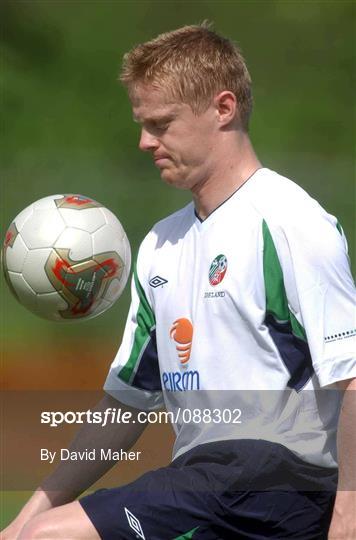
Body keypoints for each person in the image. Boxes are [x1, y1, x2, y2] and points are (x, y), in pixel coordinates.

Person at [2, 23, 355, 540]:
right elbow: (127, 403)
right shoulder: (159, 246)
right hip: (208, 485)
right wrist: (24, 520)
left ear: (224, 108)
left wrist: (348, 518)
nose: (146, 142)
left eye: (162, 124)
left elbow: (350, 375)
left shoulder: (290, 222)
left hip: (274, 482)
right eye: (143, 124)